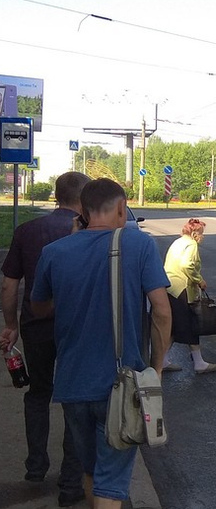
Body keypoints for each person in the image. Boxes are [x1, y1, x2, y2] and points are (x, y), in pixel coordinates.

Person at [30, 178, 172, 509]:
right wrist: (158, 367)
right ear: (122, 207)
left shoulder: (54, 252)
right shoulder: (139, 245)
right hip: (119, 385)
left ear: (82, 212)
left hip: (71, 384)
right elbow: (162, 311)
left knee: (92, 471)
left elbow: (38, 307)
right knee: (112, 482)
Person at [0, 172, 89, 507]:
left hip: (36, 326)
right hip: (73, 329)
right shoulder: (87, 233)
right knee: (74, 401)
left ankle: (36, 467)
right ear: (83, 199)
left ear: (55, 195)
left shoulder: (27, 231)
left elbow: (9, 285)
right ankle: (69, 483)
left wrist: (11, 325)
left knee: (38, 394)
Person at [163, 218, 216, 374]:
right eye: (201, 233)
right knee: (190, 325)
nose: (203, 236)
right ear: (195, 233)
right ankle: (199, 363)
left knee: (176, 327)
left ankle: (163, 360)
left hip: (171, 288)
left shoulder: (178, 242)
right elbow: (187, 265)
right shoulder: (191, 244)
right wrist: (199, 280)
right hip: (182, 289)